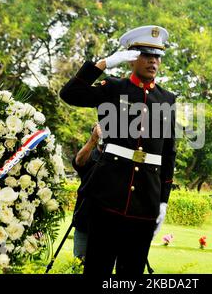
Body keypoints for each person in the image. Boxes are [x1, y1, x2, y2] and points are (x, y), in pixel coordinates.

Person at [60, 25, 176, 275]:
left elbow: (168, 155)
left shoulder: (167, 100)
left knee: (131, 274)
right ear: (132, 58)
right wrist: (103, 63)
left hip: (146, 202)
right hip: (107, 198)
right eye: (146, 55)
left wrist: (163, 201)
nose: (153, 61)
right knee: (97, 270)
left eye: (157, 56)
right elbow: (70, 94)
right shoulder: (113, 88)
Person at [71, 123, 103, 264]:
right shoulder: (90, 154)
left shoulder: (116, 158)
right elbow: (78, 161)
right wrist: (93, 140)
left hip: (108, 221)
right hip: (85, 217)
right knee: (81, 260)